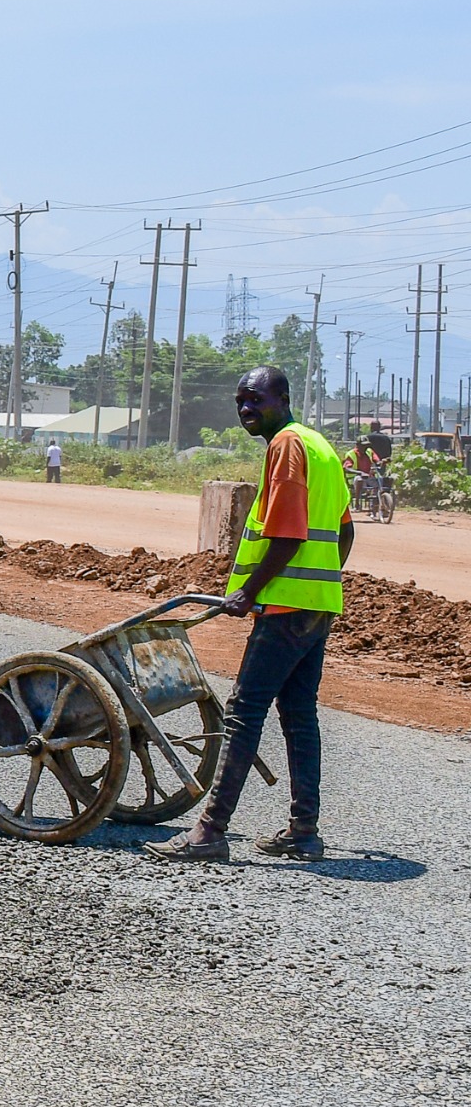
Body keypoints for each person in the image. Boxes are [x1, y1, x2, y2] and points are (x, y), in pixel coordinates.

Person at [147, 367, 354, 864]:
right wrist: (319, 580)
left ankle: (210, 831)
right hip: (317, 605)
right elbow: (344, 532)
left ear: (282, 398)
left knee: (244, 711)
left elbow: (288, 535)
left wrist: (249, 593)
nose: (245, 409)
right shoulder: (320, 446)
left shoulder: (286, 447)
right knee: (299, 714)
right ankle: (304, 832)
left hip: (284, 609)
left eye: (255, 399)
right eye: (240, 401)